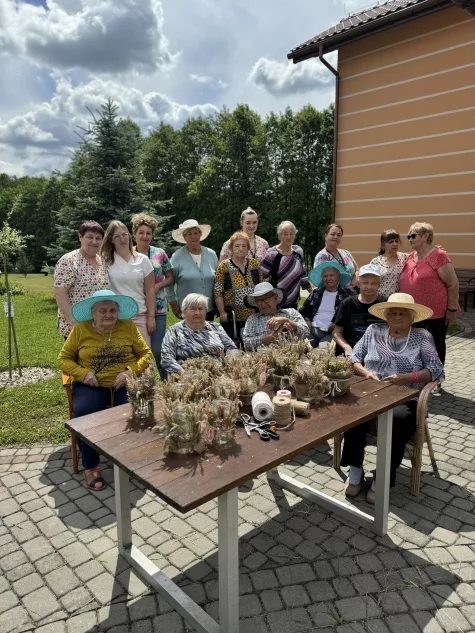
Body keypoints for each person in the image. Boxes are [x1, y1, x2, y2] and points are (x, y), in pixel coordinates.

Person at [343, 293, 444, 504]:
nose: (397, 316)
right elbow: (353, 356)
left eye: (403, 313)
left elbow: (436, 369)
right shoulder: (373, 331)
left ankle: (382, 478)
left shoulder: (422, 336)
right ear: (386, 315)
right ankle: (355, 472)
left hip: (405, 396)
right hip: (372, 391)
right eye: (393, 312)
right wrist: (363, 372)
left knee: (398, 421)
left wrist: (408, 377)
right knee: (352, 414)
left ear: (412, 317)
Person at [58, 290, 153, 491]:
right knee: (83, 414)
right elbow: (63, 359)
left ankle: (127, 457)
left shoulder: (128, 327)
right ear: (92, 314)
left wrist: (131, 371)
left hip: (123, 383)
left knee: (134, 411)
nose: (108, 314)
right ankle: (91, 466)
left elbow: (145, 354)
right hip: (90, 384)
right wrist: (83, 373)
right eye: (102, 311)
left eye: (112, 310)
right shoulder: (80, 330)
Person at [399, 222, 459, 365]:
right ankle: (418, 376)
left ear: (426, 236)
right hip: (413, 312)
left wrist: (451, 309)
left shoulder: (438, 255)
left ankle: (436, 378)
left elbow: (453, 284)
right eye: (408, 236)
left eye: (413, 235)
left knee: (435, 345)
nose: (410, 239)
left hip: (435, 313)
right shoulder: (410, 257)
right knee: (413, 345)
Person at [100, 220, 156, 347]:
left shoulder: (143, 260)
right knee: (118, 358)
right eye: (117, 236)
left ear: (130, 236)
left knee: (143, 358)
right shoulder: (105, 261)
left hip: (140, 315)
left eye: (125, 234)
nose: (122, 239)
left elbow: (150, 290)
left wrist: (151, 317)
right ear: (111, 240)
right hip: (115, 318)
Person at [132, 213, 173, 381]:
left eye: (148, 233)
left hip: (158, 308)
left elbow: (170, 277)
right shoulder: (128, 254)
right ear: (134, 234)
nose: (145, 236)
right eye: (141, 232)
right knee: (139, 353)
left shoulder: (159, 253)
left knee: (157, 349)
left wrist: (157, 286)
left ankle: (167, 383)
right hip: (137, 310)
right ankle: (144, 386)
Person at [54, 220, 109, 339]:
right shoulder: (68, 261)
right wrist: (74, 322)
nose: (94, 241)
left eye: (98, 238)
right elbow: (60, 294)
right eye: (90, 237)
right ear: (80, 237)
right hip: (76, 326)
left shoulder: (102, 262)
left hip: (99, 326)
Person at [161, 293, 238, 374]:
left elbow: (232, 348)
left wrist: (228, 364)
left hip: (218, 374)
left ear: (206, 311)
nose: (197, 313)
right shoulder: (174, 331)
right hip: (188, 376)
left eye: (201, 309)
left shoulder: (215, 327)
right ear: (184, 311)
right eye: (193, 309)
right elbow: (166, 357)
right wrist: (183, 374)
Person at [214, 232, 263, 344]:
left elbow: (261, 289)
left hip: (253, 315)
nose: (240, 249)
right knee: (232, 349)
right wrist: (221, 312)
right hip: (231, 316)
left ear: (248, 249)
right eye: (237, 246)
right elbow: (217, 291)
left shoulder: (254, 264)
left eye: (244, 246)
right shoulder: (224, 266)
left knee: (253, 347)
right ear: (231, 248)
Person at [166, 219, 218, 322]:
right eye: (189, 234)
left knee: (208, 337)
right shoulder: (177, 257)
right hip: (188, 310)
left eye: (196, 233)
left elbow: (219, 281)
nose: (193, 236)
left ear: (200, 235)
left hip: (209, 309)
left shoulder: (211, 254)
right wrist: (173, 304)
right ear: (184, 237)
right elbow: (169, 283)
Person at [332, 264, 386, 356]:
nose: (369, 286)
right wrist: (346, 347)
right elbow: (336, 332)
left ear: (379, 285)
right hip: (351, 352)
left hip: (378, 353)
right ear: (359, 283)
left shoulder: (386, 304)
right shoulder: (347, 304)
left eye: (373, 283)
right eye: (365, 283)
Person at [242, 282, 310, 351]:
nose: (263, 304)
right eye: (259, 300)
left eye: (266, 298)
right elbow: (246, 343)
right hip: (264, 358)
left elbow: (306, 333)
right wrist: (273, 336)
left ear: (276, 297)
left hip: (293, 355)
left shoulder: (291, 313)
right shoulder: (253, 319)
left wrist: (287, 321)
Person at [299, 262, 353, 347]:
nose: (328, 278)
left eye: (331, 275)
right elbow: (303, 311)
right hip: (313, 329)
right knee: (302, 347)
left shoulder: (347, 294)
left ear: (338, 277)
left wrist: (338, 323)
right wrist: (307, 320)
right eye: (325, 276)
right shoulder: (316, 293)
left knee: (323, 351)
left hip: (331, 332)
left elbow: (352, 315)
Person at [260, 221, 310, 310]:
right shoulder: (272, 253)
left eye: (291, 234)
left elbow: (303, 275)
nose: (289, 237)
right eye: (285, 234)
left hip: (294, 302)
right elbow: (261, 276)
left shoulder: (298, 251)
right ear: (279, 236)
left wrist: (312, 292)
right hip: (275, 302)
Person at [370, 230, 408, 298]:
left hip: (399, 301)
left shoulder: (405, 258)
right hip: (380, 301)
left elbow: (419, 257)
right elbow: (370, 282)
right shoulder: (375, 262)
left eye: (396, 241)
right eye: (391, 242)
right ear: (383, 244)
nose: (395, 244)